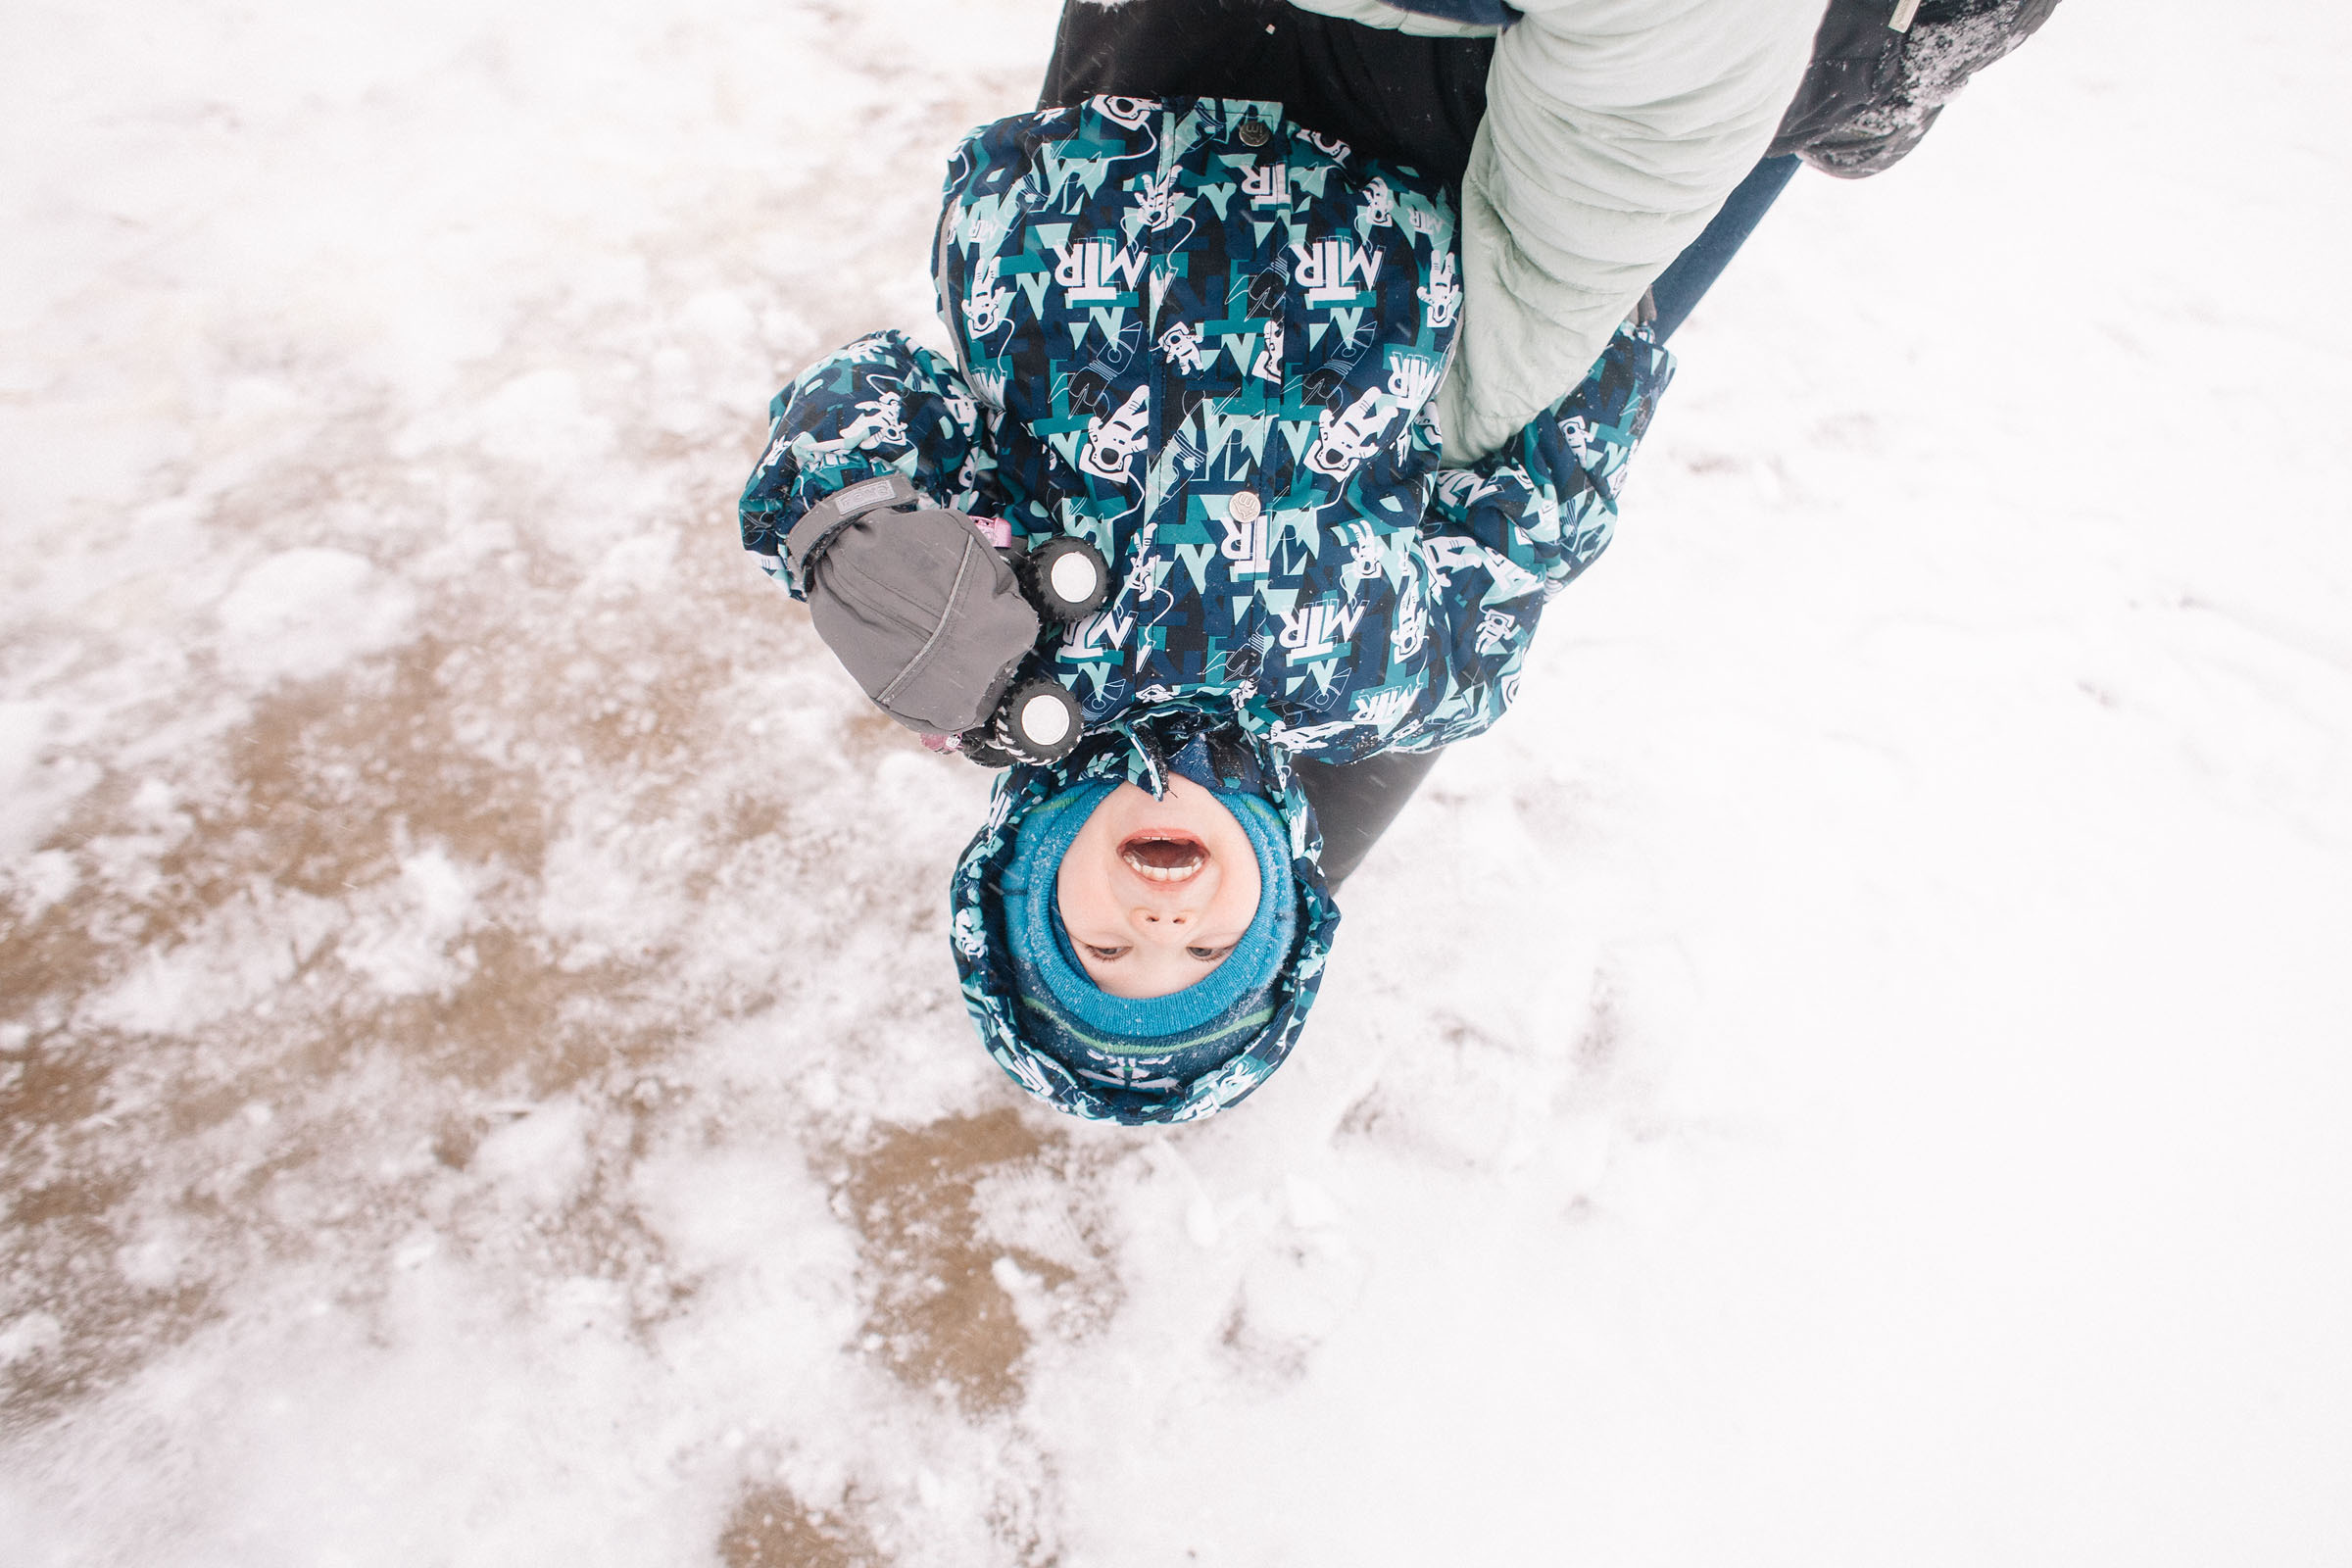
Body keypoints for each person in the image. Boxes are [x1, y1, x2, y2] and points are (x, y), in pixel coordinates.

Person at [737, 96, 1671, 1122]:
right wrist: (1613, 313)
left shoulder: (985, 655)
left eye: (1106, 946)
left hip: (1108, 133)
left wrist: (849, 532)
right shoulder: (1396, 684)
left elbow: (880, 383)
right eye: (1207, 949)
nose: (1160, 918)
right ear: (1280, 894)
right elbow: (1534, 527)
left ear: (1026, 873)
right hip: (1385, 156)